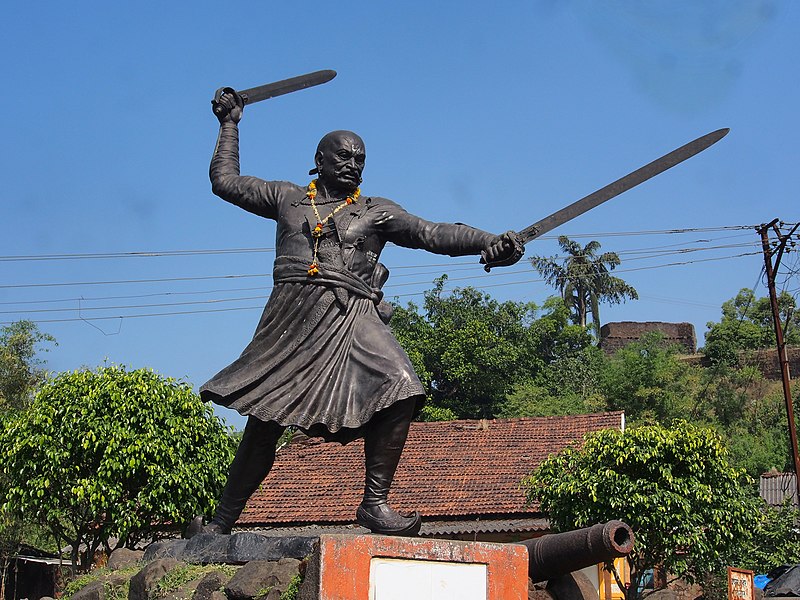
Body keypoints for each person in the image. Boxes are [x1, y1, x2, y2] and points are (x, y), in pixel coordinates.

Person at [194, 89, 524, 537]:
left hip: (352, 313)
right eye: (344, 156)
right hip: (292, 319)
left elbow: (432, 232)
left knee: (402, 385)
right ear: (319, 159)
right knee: (265, 420)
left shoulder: (375, 211)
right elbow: (225, 182)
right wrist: (229, 124)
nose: (352, 164)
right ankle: (221, 522)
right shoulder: (286, 198)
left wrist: (488, 242)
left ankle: (374, 503)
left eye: (360, 159)